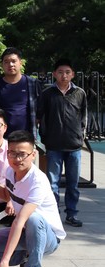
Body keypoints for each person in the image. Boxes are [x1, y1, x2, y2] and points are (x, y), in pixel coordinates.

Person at [0, 130, 66, 267]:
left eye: (22, 154)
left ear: (33, 154)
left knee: (33, 219)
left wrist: (6, 259)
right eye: (12, 153)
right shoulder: (10, 172)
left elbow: (20, 220)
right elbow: (6, 195)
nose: (17, 159)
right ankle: (25, 260)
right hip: (24, 232)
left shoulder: (38, 180)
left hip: (47, 238)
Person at [37, 58, 88, 227]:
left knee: (73, 184)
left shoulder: (79, 93)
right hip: (54, 146)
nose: (64, 75)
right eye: (60, 72)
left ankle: (71, 214)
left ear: (72, 74)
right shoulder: (47, 94)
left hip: (74, 146)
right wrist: (44, 138)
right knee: (52, 184)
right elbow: (40, 117)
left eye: (67, 72)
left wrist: (81, 136)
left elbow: (83, 116)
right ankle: (54, 216)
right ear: (54, 74)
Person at [0, 47, 42, 139]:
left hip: (26, 136)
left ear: (20, 63)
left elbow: (40, 109)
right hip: (2, 137)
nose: (10, 64)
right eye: (6, 62)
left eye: (14, 61)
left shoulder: (32, 83)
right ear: (1, 64)